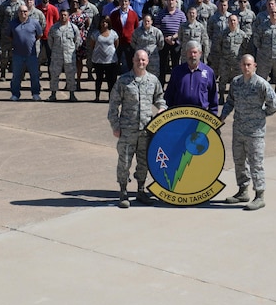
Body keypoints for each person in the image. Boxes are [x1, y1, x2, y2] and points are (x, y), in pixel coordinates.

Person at [107, 50, 166, 208]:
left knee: (144, 162)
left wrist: (161, 109)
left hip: (147, 130)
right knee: (124, 161)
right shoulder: (124, 81)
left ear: (147, 61)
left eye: (144, 60)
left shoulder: (153, 80)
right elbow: (113, 104)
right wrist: (115, 126)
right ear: (133, 60)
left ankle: (141, 190)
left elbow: (160, 98)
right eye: (138, 59)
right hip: (127, 129)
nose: (141, 62)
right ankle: (123, 191)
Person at [219, 54, 276, 211]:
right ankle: (242, 191)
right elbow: (230, 101)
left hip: (255, 132)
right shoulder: (236, 82)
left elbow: (274, 105)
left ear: (255, 66)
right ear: (240, 65)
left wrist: (261, 115)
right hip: (238, 129)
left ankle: (259, 196)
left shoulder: (261, 84)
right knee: (239, 161)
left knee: (255, 163)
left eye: (249, 65)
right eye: (244, 64)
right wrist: (224, 115)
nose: (246, 67)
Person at [165, 40, 219, 114]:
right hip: (179, 114)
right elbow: (169, 94)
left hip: (201, 114)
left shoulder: (209, 72)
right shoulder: (177, 71)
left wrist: (213, 113)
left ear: (200, 53)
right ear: (186, 54)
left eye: (195, 52)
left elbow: (213, 96)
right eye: (190, 52)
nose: (192, 55)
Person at [10, 5, 44, 102]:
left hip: (31, 54)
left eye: (25, 11)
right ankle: (15, 94)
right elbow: (9, 35)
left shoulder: (34, 22)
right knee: (16, 75)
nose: (23, 13)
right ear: (18, 12)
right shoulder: (13, 23)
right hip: (17, 54)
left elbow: (39, 34)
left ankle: (35, 94)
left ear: (28, 12)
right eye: (21, 11)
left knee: (34, 75)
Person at [46, 11, 82, 102]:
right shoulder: (54, 28)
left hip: (69, 56)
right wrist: (55, 50)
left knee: (70, 76)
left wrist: (71, 50)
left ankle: (72, 95)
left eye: (65, 15)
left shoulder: (73, 28)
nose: (63, 17)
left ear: (68, 16)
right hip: (56, 56)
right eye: (61, 15)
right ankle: (53, 94)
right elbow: (50, 41)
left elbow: (77, 41)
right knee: (54, 75)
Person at [89, 16, 120, 101]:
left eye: (106, 22)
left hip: (111, 61)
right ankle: (97, 97)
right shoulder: (95, 34)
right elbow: (92, 45)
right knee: (99, 79)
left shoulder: (113, 33)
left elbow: (116, 44)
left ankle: (111, 97)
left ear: (109, 23)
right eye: (102, 22)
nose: (104, 24)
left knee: (111, 81)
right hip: (98, 61)